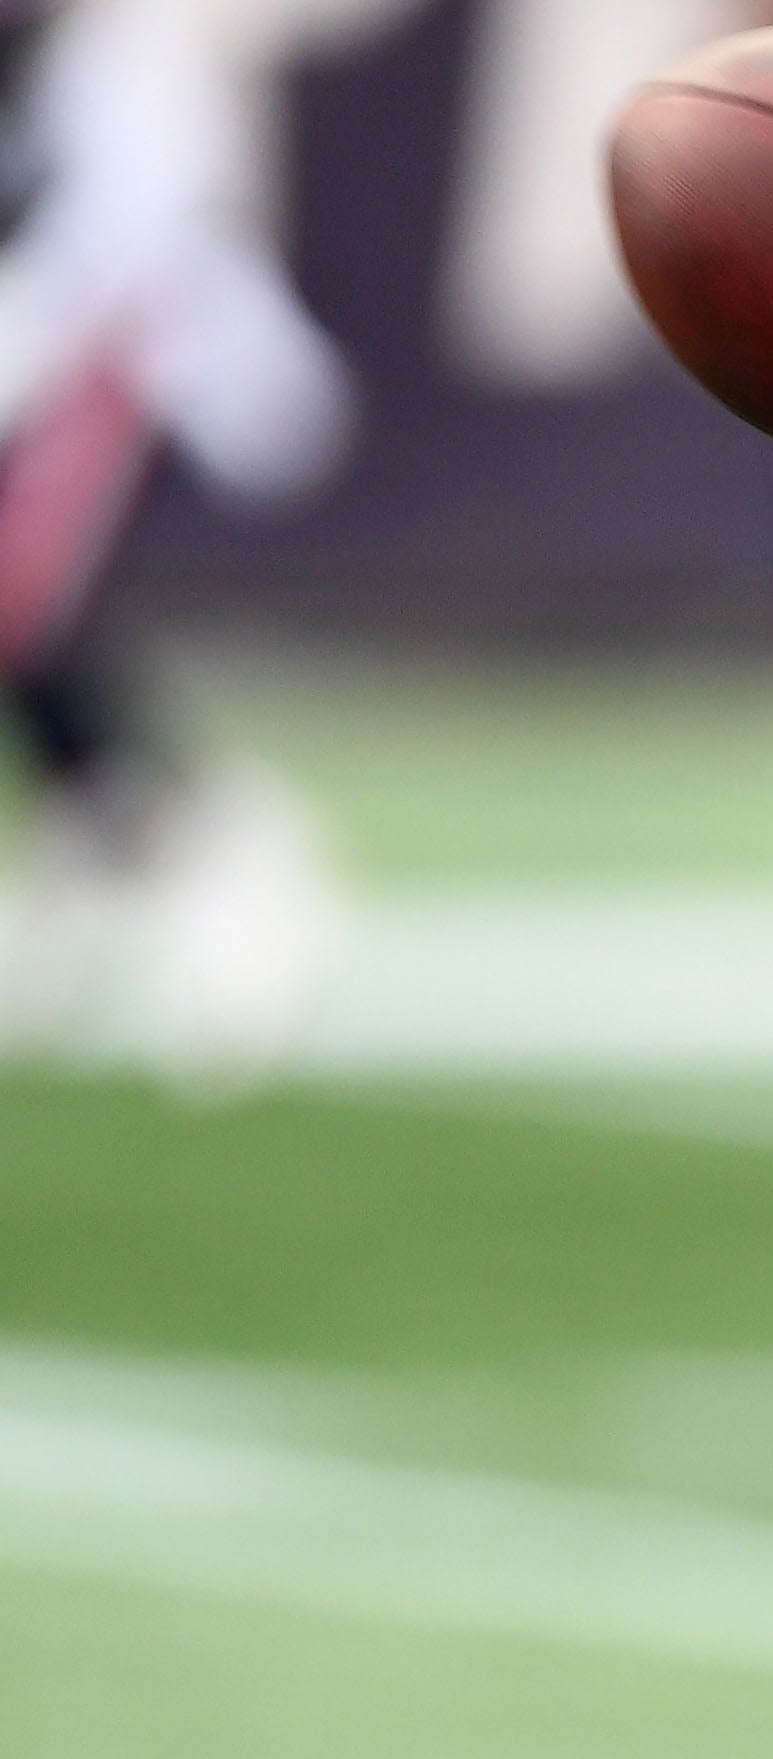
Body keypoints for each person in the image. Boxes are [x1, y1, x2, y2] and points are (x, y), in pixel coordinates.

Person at [0, 0, 353, 1097]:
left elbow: (127, 239)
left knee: (20, 602)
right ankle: (100, 835)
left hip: (116, 350)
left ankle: (222, 843)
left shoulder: (125, 53)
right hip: (75, 341)